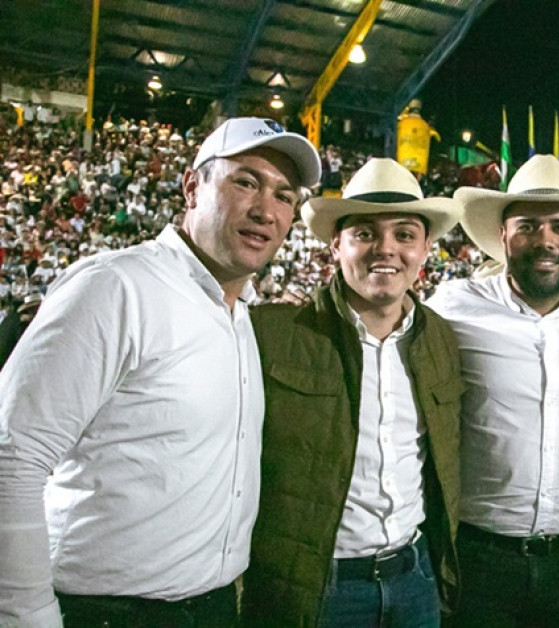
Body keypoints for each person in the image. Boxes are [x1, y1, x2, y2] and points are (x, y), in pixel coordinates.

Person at [0, 117, 321, 627]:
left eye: (285, 196)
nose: (266, 209)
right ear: (192, 187)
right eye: (245, 182)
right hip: (105, 613)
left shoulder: (241, 315)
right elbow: (13, 457)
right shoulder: (116, 288)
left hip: (213, 607)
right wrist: (27, 614)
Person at [241, 158, 464, 627]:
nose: (386, 248)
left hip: (414, 578)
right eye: (365, 233)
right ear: (336, 245)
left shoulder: (442, 338)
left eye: (405, 234)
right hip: (315, 590)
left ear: (425, 249)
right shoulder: (272, 335)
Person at [427, 154, 559, 626]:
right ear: (502, 236)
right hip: (477, 559)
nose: (544, 241)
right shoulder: (451, 307)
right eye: (527, 225)